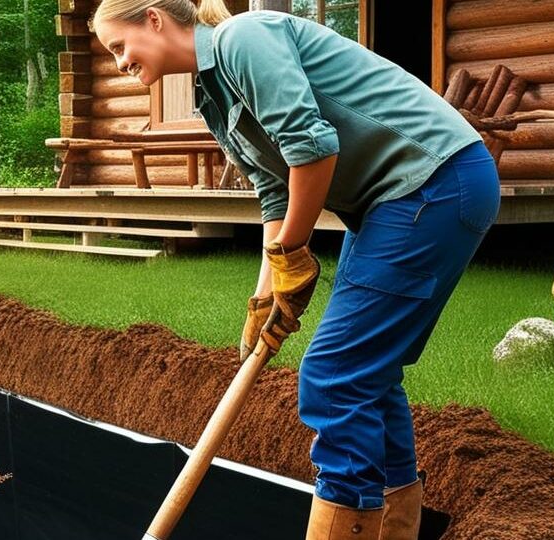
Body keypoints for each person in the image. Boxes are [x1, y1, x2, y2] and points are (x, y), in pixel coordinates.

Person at [90, 2, 499, 538]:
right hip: (393, 200)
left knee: (332, 376)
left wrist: (292, 254)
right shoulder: (211, 94)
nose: (119, 63)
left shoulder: (243, 39)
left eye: (120, 46)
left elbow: (313, 148)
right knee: (367, 375)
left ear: (154, 19)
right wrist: (266, 300)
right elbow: (274, 193)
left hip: (433, 180)